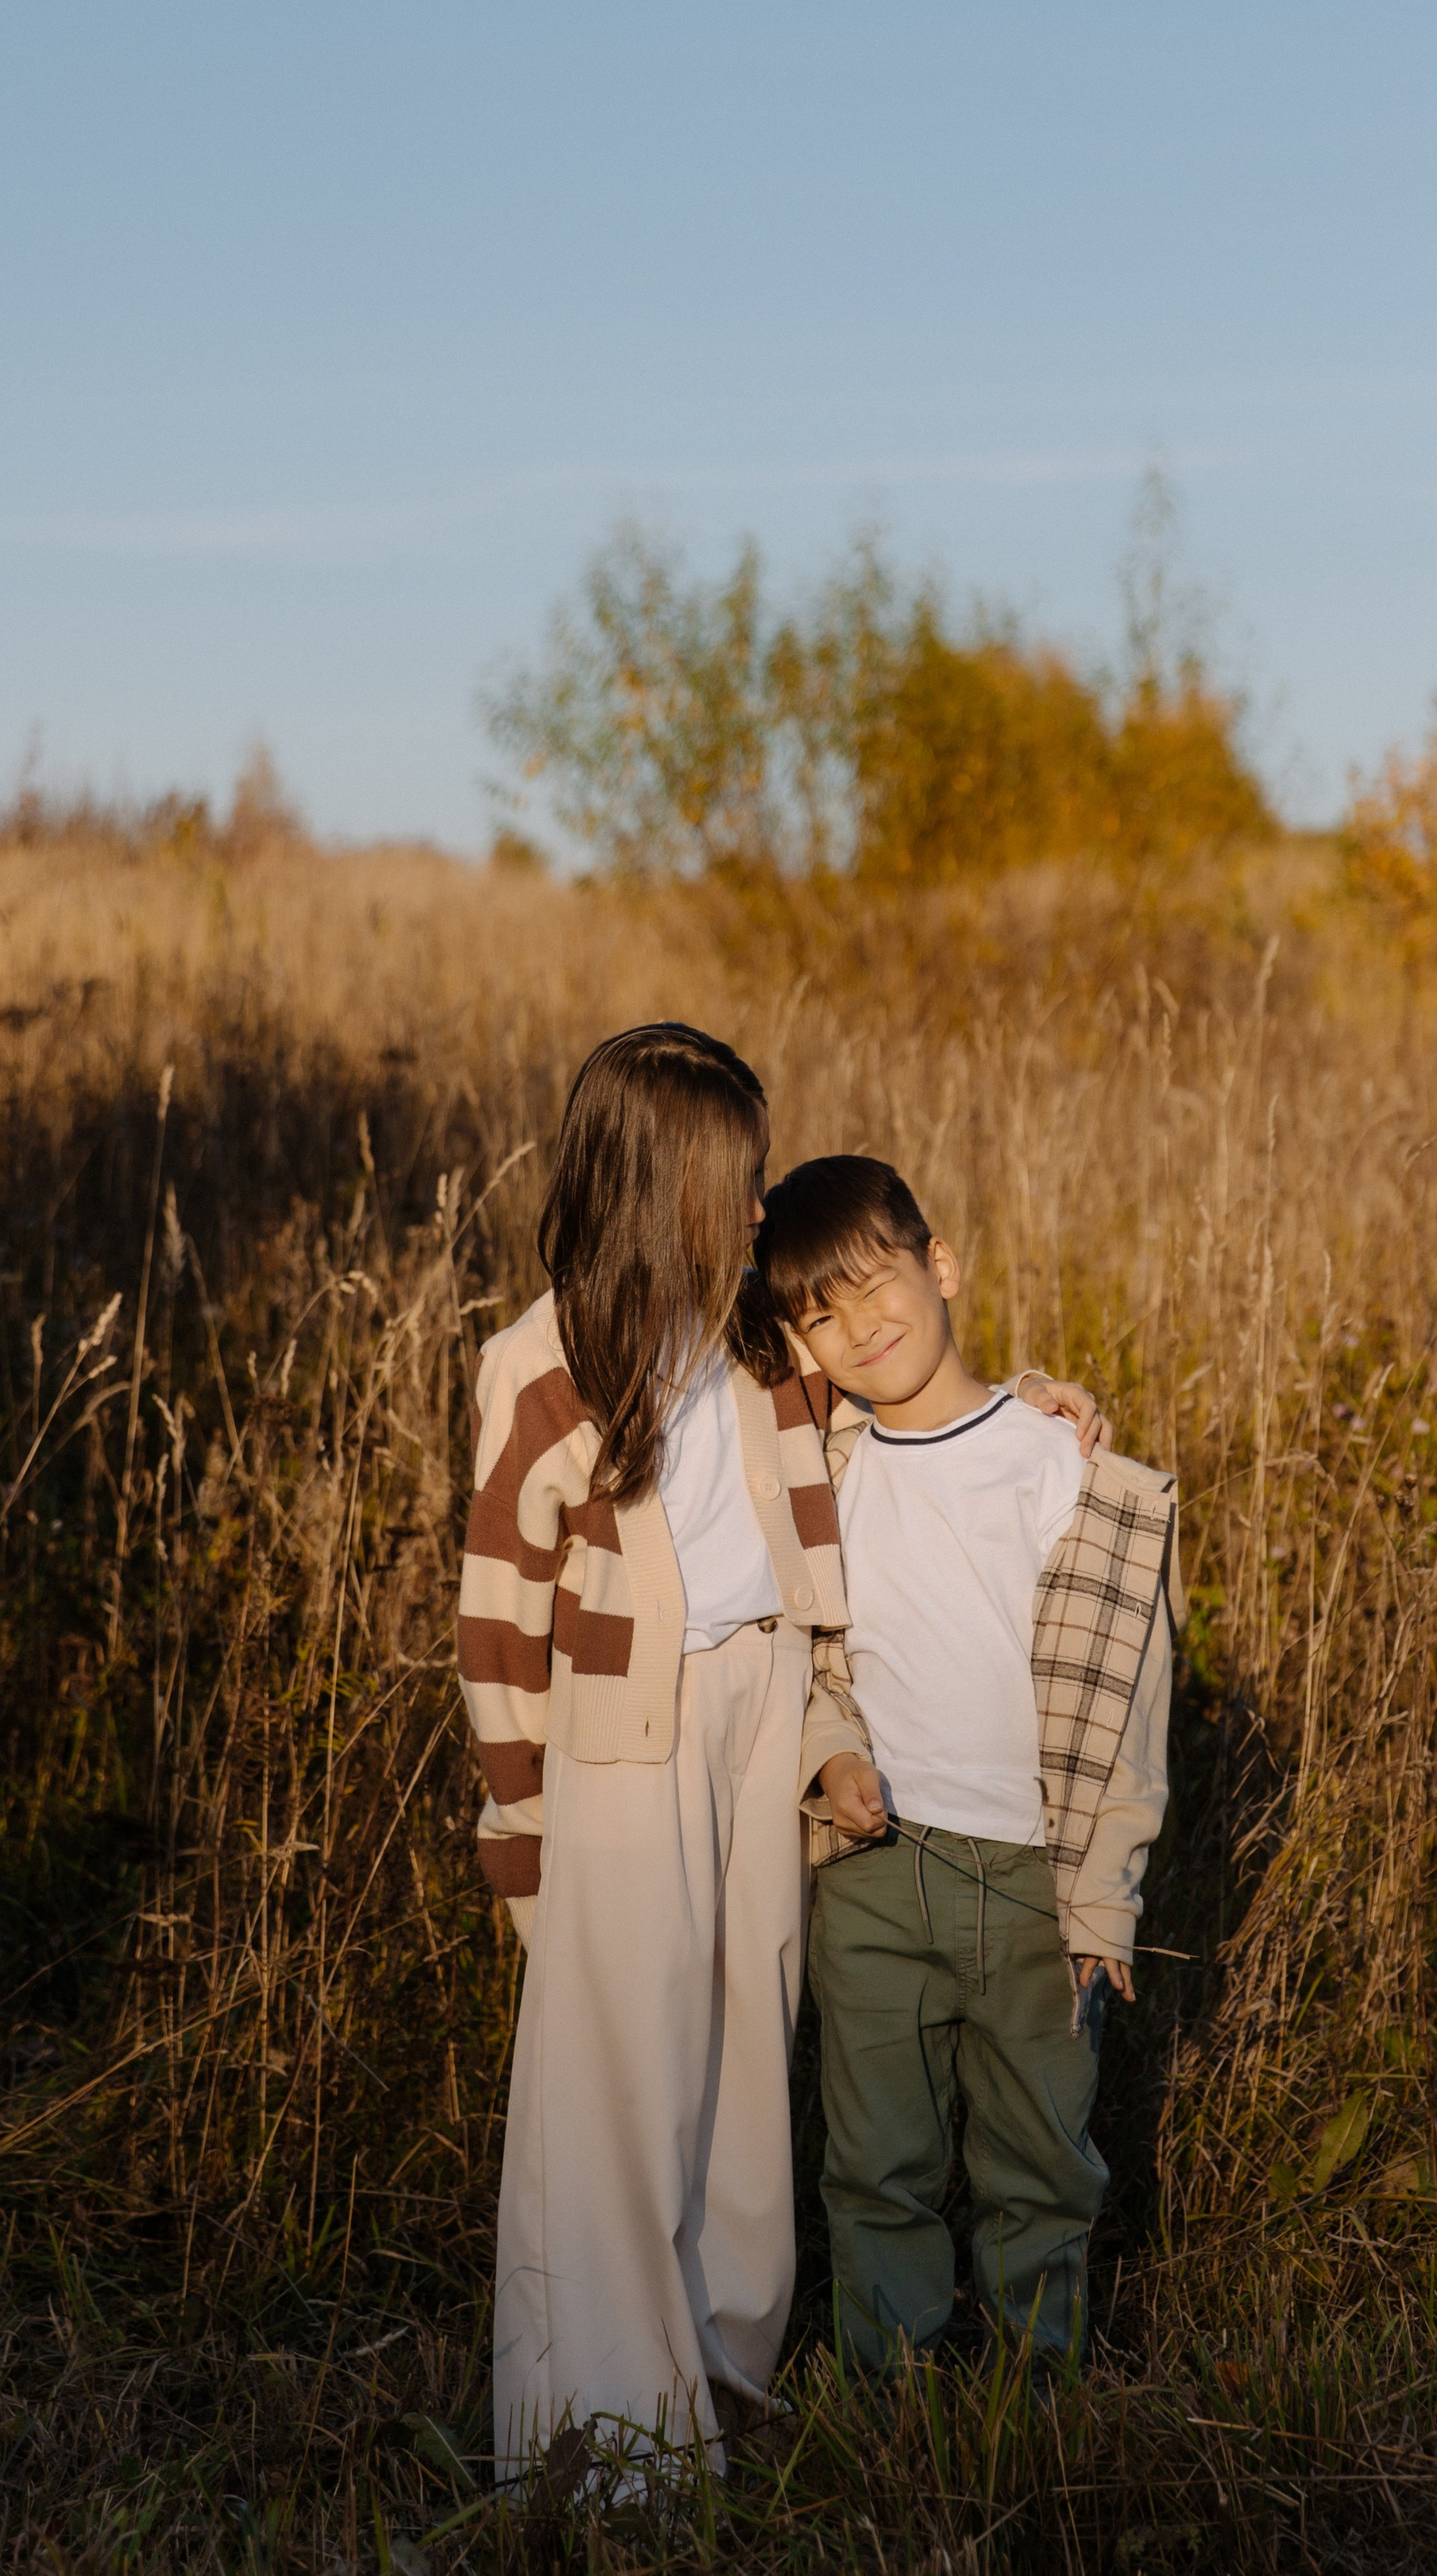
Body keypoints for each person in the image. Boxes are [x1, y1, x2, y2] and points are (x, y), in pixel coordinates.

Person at [453, 1024, 1105, 2476]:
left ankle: (726, 2378)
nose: (759, 1210)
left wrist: (1041, 1415)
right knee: (622, 2080)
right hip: (624, 1741)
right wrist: (522, 1835)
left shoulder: (764, 1337)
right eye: (738, 1181)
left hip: (771, 1719)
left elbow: (909, 1407)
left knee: (751, 2060)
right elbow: (496, 1635)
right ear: (664, 1179)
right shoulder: (541, 1364)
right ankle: (608, 2439)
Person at [755, 1151, 1180, 2373]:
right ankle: (889, 2397)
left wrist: (1105, 1899)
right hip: (880, 1872)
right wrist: (831, 1764)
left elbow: (1130, 1711)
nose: (857, 1327)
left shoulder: (1067, 1471)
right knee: (875, 2159)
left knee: (1039, 2159)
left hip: (1035, 1885)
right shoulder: (831, 1477)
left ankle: (1035, 2398)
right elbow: (822, 1670)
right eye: (817, 1315)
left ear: (942, 1267)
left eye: (875, 1285)